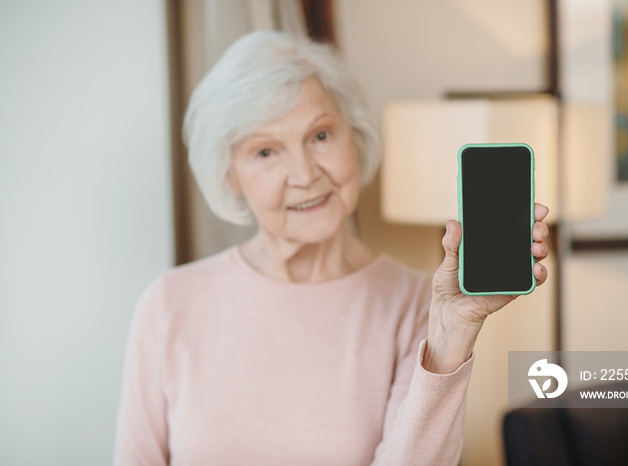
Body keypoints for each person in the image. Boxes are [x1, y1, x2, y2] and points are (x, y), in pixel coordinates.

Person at [112, 30, 550, 465]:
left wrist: (451, 340)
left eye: (320, 136)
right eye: (265, 152)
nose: (304, 174)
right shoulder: (169, 303)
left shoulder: (417, 302)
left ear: (353, 138)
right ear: (230, 176)